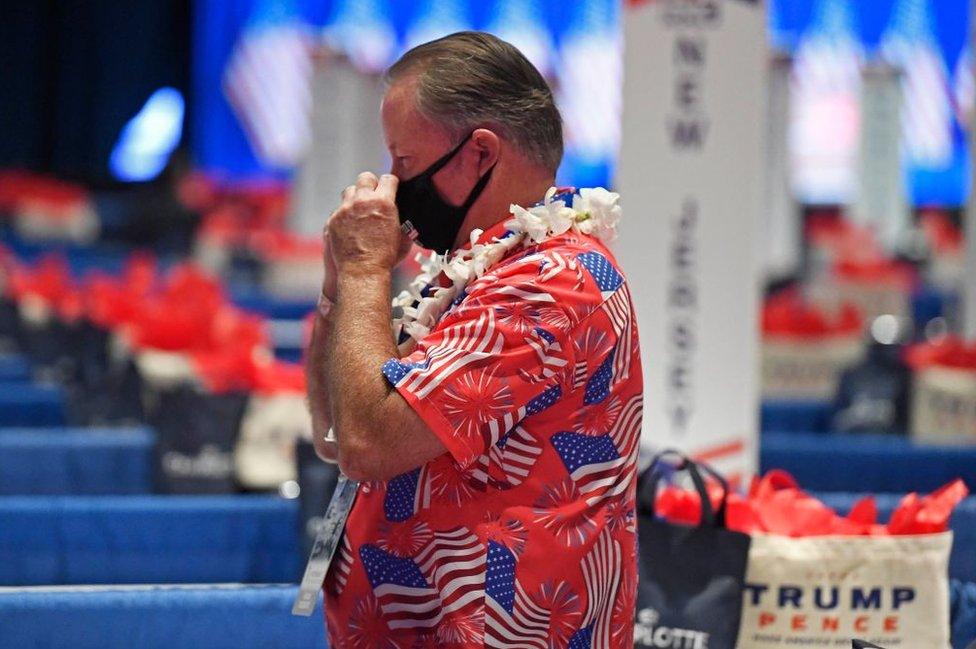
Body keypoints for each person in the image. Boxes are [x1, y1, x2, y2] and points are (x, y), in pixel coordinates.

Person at [306, 31, 643, 648]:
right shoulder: (480, 272)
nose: (392, 183)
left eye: (403, 163)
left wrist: (364, 272)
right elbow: (333, 432)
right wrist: (339, 296)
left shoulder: (549, 284)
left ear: (480, 152)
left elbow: (366, 443)